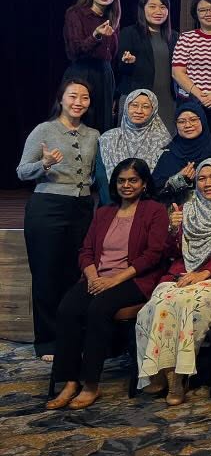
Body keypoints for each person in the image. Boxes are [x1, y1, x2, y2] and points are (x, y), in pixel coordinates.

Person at [44, 158, 167, 410]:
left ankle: (91, 384)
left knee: (98, 309)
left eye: (133, 180)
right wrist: (93, 277)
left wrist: (112, 281)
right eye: (121, 180)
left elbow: (153, 255)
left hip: (133, 279)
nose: (126, 185)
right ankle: (69, 381)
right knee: (67, 309)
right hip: (98, 277)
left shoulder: (154, 210)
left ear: (144, 184)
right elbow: (86, 251)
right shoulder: (103, 212)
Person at [136, 158, 211, 406]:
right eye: (202, 178)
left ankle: (179, 376)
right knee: (157, 306)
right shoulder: (184, 211)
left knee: (191, 307)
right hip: (179, 274)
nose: (208, 183)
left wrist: (203, 274)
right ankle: (163, 371)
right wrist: (172, 231)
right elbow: (169, 253)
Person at [17, 79, 100, 360]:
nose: (79, 102)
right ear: (61, 99)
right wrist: (45, 163)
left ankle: (72, 335)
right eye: (73, 96)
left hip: (82, 208)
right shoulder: (44, 130)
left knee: (73, 273)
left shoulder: (94, 135)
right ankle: (48, 340)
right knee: (46, 273)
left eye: (84, 97)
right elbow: (22, 171)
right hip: (48, 206)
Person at [152, 100, 211, 208]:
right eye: (181, 121)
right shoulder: (168, 153)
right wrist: (178, 180)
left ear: (203, 121)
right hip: (177, 213)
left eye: (193, 120)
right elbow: (156, 192)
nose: (188, 125)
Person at [62, 0, 120, 132]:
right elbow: (74, 51)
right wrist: (96, 35)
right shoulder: (75, 14)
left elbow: (112, 55)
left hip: (105, 75)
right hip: (82, 73)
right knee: (81, 122)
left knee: (104, 125)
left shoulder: (113, 16)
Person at [115, 0, 178, 133]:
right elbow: (120, 69)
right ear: (142, 9)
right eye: (152, 6)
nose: (158, 11)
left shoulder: (174, 36)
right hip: (138, 100)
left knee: (165, 144)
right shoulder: (129, 33)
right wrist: (128, 62)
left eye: (163, 7)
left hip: (167, 100)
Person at [96, 89, 171, 205]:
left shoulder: (163, 140)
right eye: (134, 105)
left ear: (154, 110)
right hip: (110, 205)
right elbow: (101, 177)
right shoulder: (108, 138)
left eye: (146, 107)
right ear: (126, 107)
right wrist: (114, 204)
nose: (139, 111)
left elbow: (161, 180)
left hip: (147, 207)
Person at [171, 0, 211, 128]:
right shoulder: (186, 38)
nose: (208, 13)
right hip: (190, 101)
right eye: (202, 10)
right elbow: (177, 73)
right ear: (196, 14)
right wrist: (200, 95)